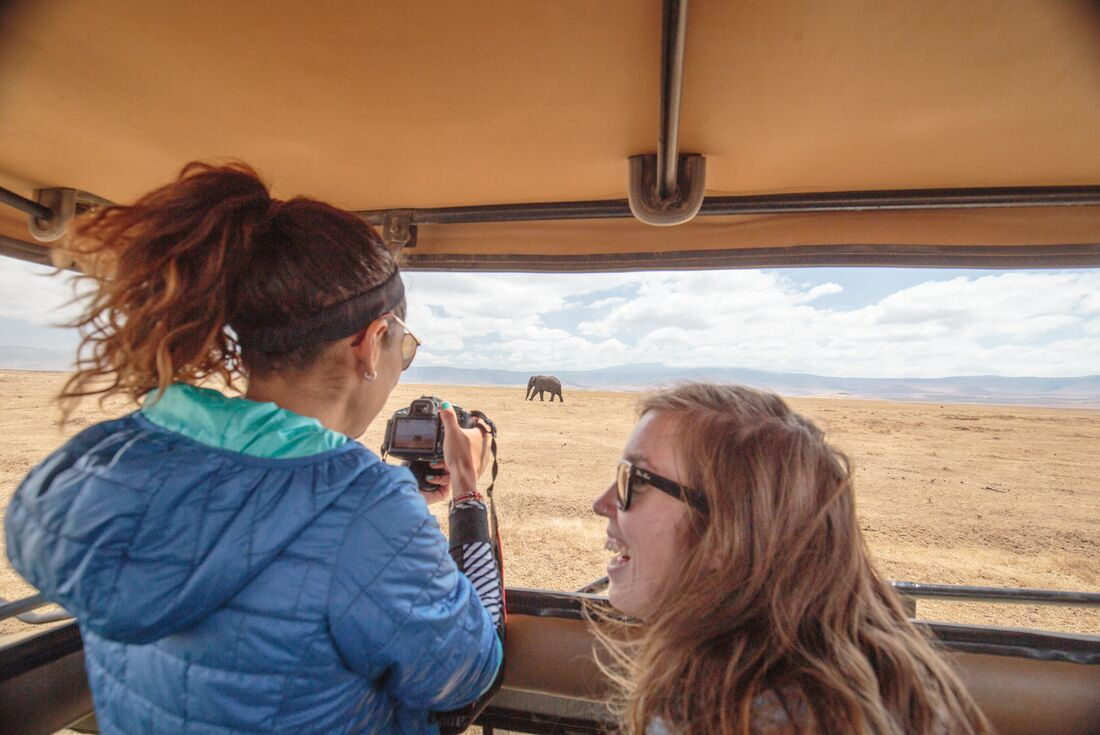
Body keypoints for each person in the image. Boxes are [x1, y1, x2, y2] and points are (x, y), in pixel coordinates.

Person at [5, 162, 503, 734]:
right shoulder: (365, 508)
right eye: (404, 348)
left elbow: (251, 514)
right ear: (370, 343)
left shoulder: (114, 455)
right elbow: (468, 677)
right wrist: (468, 494)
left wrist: (390, 516)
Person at [591, 383, 993, 735]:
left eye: (635, 481)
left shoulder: (734, 714)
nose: (602, 503)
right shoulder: (873, 680)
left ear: (728, 533)